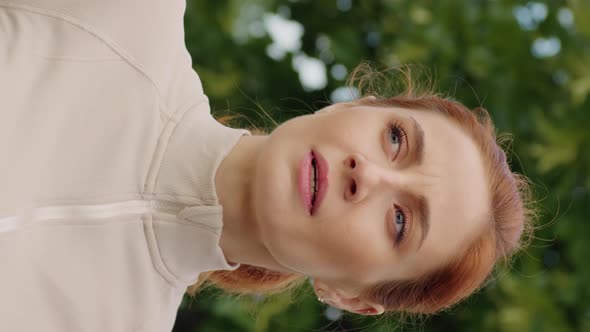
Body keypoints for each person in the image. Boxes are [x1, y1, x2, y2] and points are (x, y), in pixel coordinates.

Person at [0, 1, 533, 332]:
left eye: (400, 221)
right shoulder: (127, 14)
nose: (368, 175)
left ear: (353, 296)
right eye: (395, 139)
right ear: (355, 106)